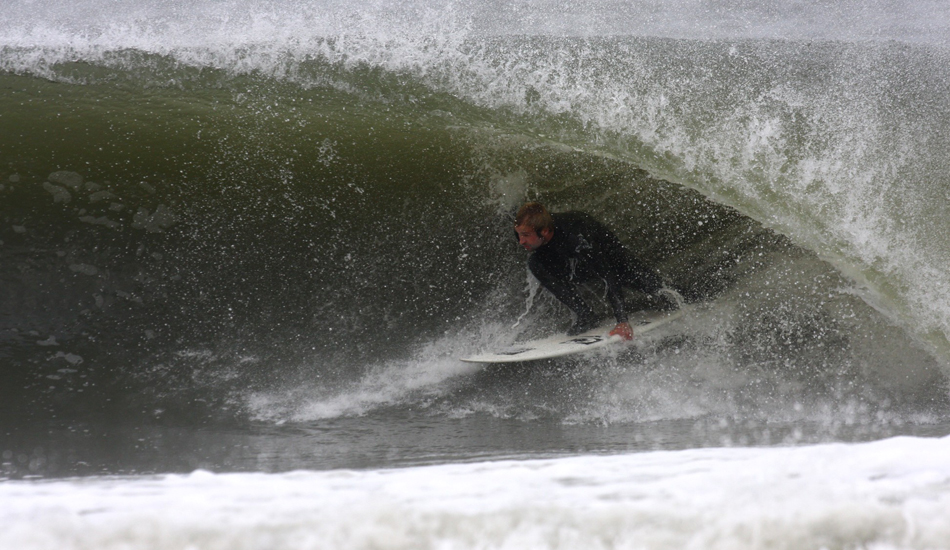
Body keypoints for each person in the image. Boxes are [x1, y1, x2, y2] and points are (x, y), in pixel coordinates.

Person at [514, 201, 675, 340]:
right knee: (535, 263)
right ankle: (586, 315)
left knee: (661, 290)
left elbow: (607, 274)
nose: (521, 241)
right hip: (576, 264)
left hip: (616, 263)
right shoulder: (534, 228)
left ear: (545, 231)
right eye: (519, 234)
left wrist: (622, 322)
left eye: (526, 235)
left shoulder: (577, 237)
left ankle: (690, 297)